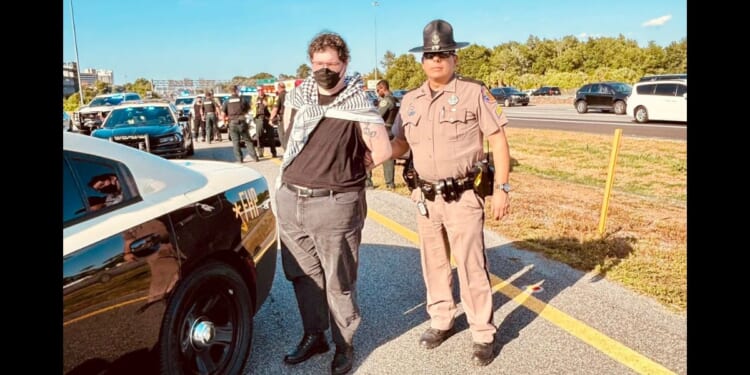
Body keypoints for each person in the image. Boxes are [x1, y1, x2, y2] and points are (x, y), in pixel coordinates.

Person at [389, 19, 511, 367]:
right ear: (422, 60)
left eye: (444, 53)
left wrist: (502, 188)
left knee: (472, 265)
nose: (437, 60)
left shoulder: (474, 93)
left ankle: (482, 331)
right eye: (430, 54)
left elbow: (499, 141)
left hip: (463, 196)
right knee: (434, 265)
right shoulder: (409, 101)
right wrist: (371, 150)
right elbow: (399, 144)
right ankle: (442, 319)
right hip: (425, 198)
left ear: (455, 58)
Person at [276, 32, 392, 375]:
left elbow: (383, 150)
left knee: (338, 280)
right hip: (292, 197)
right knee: (302, 274)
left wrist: (352, 169)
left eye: (331, 64)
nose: (324, 70)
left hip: (335, 202)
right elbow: (288, 139)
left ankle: (344, 344)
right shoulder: (299, 98)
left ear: (345, 64)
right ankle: (315, 335)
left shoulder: (358, 103)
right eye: (318, 64)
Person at [365, 79, 398, 190]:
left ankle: (368, 182)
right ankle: (390, 183)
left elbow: (378, 115)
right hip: (393, 130)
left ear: (383, 88)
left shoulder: (386, 101)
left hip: (384, 131)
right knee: (389, 157)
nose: (377, 92)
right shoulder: (396, 99)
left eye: (378, 90)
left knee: (368, 153)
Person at [223, 85, 259, 163]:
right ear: (236, 90)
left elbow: (223, 113)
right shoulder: (242, 99)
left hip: (232, 122)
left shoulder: (227, 101)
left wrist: (225, 122)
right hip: (242, 121)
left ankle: (240, 159)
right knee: (248, 140)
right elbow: (248, 109)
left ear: (230, 91)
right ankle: (255, 157)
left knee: (236, 142)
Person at [255, 88, 277, 158]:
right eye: (259, 90)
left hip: (268, 118)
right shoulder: (255, 98)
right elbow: (252, 107)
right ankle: (260, 152)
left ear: (263, 90)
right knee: (259, 135)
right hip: (259, 118)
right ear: (257, 91)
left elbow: (275, 106)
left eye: (261, 90)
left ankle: (273, 152)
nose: (260, 91)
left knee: (271, 136)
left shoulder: (269, 97)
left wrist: (267, 104)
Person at [270, 82, 287, 148]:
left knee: (282, 136)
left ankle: (286, 153)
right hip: (290, 118)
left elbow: (275, 108)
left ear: (279, 88)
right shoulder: (289, 95)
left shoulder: (279, 96)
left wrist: (271, 119)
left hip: (282, 119)